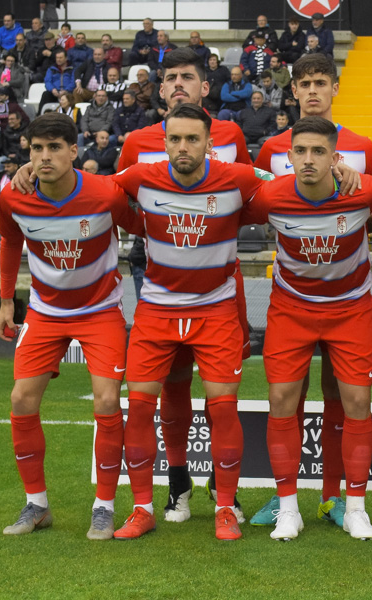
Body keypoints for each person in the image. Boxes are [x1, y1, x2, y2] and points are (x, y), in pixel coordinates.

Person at [108, 105, 271, 541]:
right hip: (157, 310)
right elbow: (95, 192)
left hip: (215, 310)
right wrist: (31, 169)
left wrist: (354, 179)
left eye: (192, 139)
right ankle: (143, 508)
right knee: (141, 406)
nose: (184, 147)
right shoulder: (141, 178)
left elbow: (290, 188)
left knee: (222, 407)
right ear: (164, 143)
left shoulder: (238, 178)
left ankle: (224, 508)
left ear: (209, 144)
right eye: (176, 139)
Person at [251, 52, 372, 528]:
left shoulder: (364, 152)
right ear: (293, 91)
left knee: (346, 398)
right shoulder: (271, 148)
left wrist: (358, 220)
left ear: (334, 89)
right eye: (304, 84)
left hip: (348, 300)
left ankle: (339, 500)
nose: (312, 91)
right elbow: (252, 203)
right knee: (286, 396)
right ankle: (284, 502)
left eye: (320, 83)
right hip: (292, 299)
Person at [0, 113, 137, 540]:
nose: (44, 156)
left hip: (100, 310)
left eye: (54, 147)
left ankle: (105, 507)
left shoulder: (105, 193)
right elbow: (10, 239)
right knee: (21, 398)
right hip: (44, 312)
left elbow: (142, 226)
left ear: (74, 152)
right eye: (36, 148)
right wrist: (6, 301)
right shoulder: (14, 197)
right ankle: (36, 504)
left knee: (108, 398)